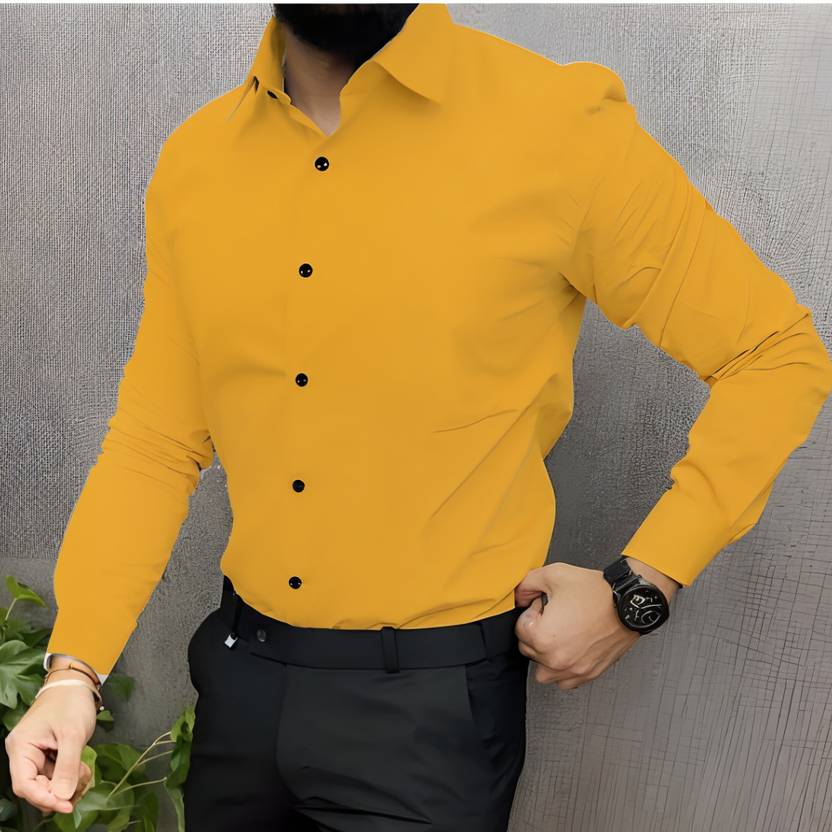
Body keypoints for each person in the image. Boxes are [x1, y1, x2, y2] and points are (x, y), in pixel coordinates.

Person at [7, 4, 832, 830]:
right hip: (239, 686)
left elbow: (774, 352)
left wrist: (642, 586)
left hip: (433, 718)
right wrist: (73, 672)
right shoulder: (198, 160)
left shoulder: (558, 127)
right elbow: (155, 442)